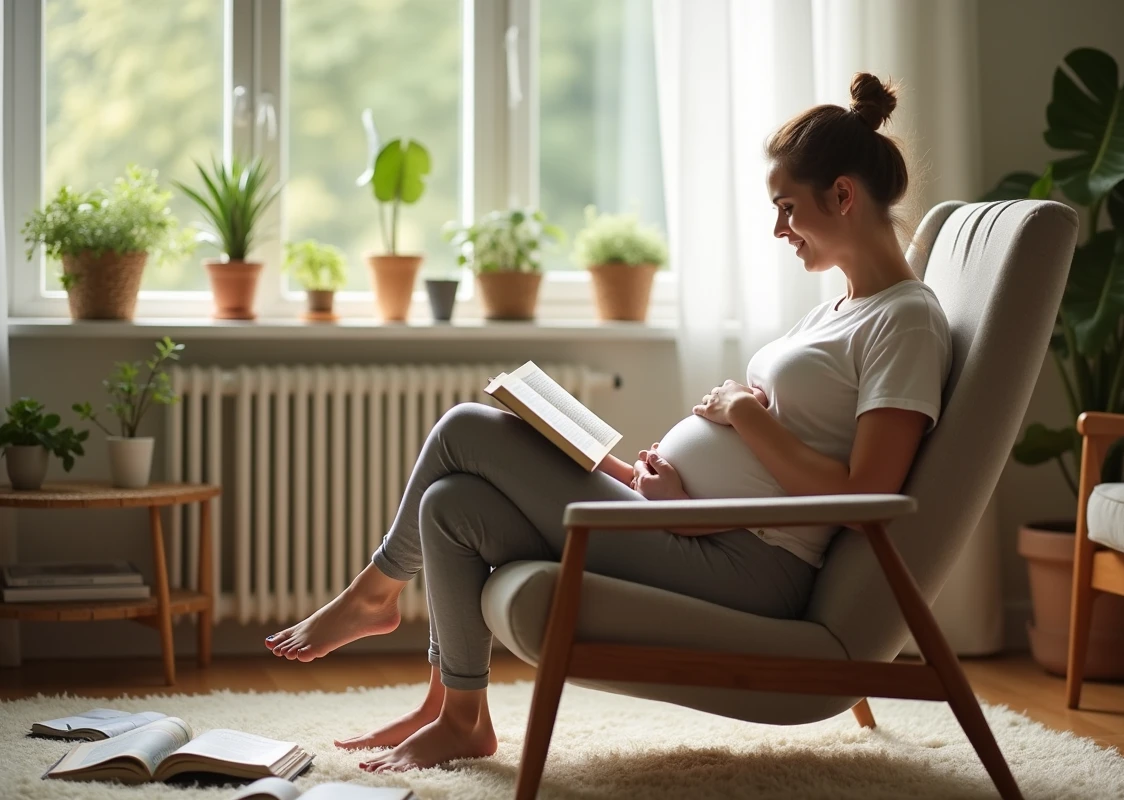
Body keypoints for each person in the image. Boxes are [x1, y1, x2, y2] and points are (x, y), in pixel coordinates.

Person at [264, 72, 952, 774]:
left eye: (787, 207)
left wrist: (736, 424)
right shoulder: (837, 310)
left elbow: (866, 491)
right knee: (452, 504)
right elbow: (786, 450)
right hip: (700, 528)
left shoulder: (906, 320)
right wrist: (656, 480)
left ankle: (373, 594)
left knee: (467, 428)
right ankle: (459, 715)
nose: (778, 229)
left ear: (842, 195)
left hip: (750, 568)